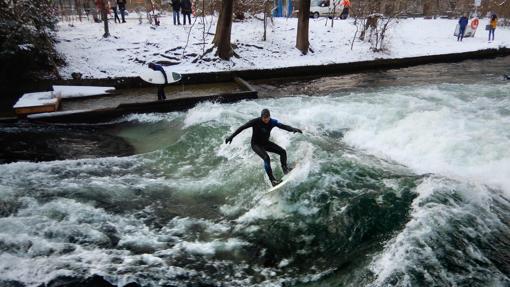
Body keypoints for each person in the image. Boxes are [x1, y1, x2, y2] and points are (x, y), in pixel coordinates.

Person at [225, 109, 303, 186]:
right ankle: (273, 180)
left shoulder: (272, 122)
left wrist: (293, 129)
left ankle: (285, 169)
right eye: (264, 118)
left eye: (267, 118)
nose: (266, 120)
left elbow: (283, 126)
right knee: (266, 158)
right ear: (261, 117)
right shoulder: (255, 121)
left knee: (282, 152)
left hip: (266, 143)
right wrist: (231, 136)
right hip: (256, 145)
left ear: (269, 117)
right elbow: (242, 127)